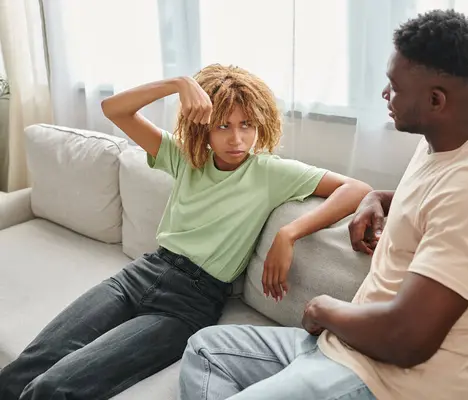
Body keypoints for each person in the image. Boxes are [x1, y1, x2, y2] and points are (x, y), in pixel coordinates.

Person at [178, 9, 468, 400]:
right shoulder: (440, 151)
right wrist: (377, 197)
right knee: (205, 348)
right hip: (340, 350)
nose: (384, 94)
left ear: (435, 99)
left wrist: (322, 309)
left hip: (385, 381)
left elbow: (408, 340)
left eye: (394, 86)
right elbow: (432, 207)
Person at [0, 65, 372, 399]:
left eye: (247, 125)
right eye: (223, 125)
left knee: (54, 387)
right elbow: (114, 109)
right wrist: (179, 83)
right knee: (29, 365)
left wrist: (288, 233)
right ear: (203, 126)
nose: (237, 139)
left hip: (188, 304)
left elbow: (356, 188)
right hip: (139, 275)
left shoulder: (269, 173)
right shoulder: (185, 158)